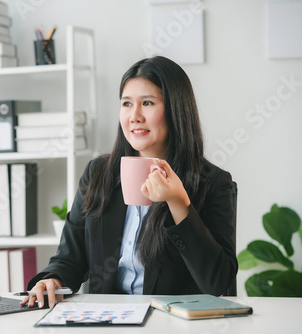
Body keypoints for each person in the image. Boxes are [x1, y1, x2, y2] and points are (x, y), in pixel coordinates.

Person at [20, 56, 237, 309]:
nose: (134, 116)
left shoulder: (212, 183)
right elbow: (70, 257)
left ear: (176, 109)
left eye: (147, 103)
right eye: (126, 104)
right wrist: (53, 279)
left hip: (172, 321)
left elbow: (217, 282)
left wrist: (179, 203)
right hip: (109, 318)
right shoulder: (98, 174)